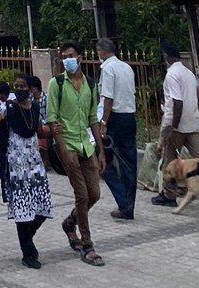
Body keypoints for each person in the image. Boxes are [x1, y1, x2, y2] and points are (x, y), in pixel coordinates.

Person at [0, 73, 52, 269]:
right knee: (22, 211)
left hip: (35, 165)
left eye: (23, 86)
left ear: (30, 88)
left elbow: (39, 130)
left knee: (42, 208)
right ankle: (27, 252)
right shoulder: (8, 107)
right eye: (16, 86)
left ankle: (28, 239)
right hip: (15, 166)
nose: (20, 89)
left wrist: (54, 129)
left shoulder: (36, 107)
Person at [47, 41, 106, 267]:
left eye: (70, 56)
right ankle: (87, 244)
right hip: (68, 144)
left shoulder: (90, 84)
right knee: (82, 195)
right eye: (64, 57)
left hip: (86, 144)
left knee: (95, 193)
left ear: (80, 57)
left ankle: (70, 222)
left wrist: (100, 150)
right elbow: (52, 118)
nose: (67, 60)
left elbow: (93, 118)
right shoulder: (57, 84)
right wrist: (62, 149)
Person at [151, 41, 199, 207]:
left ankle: (169, 195)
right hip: (193, 122)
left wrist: (172, 127)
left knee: (169, 161)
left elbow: (177, 102)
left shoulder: (172, 75)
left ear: (166, 57)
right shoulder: (188, 73)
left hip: (178, 125)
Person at [96, 37, 137, 221]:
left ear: (103, 51)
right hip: (130, 116)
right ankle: (129, 204)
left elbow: (108, 98)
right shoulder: (126, 67)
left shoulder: (108, 68)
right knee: (129, 163)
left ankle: (123, 201)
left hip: (115, 118)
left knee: (103, 161)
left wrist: (103, 123)